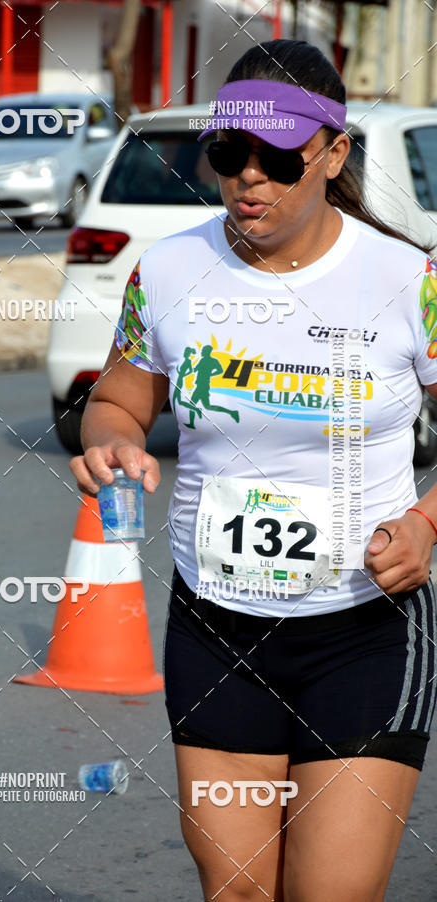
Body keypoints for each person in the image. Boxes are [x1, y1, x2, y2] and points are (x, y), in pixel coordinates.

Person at [70, 38, 437, 902]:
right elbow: (117, 401)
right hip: (216, 629)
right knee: (235, 892)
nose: (249, 179)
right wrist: (110, 439)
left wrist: (425, 524)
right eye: (230, 153)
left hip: (363, 632)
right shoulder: (166, 270)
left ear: (335, 153)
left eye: (278, 157)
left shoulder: (408, 280)